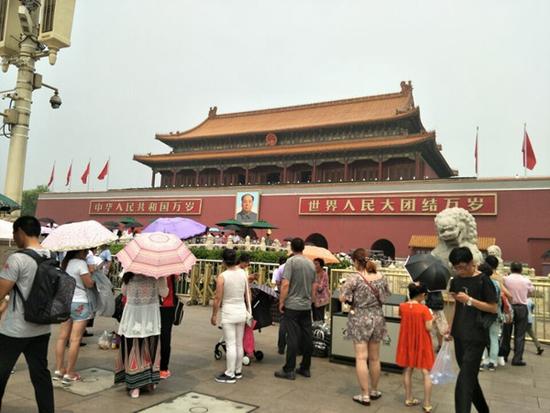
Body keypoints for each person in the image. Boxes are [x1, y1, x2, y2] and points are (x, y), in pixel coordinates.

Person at [0, 216, 55, 413]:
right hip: (42, 327)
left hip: (15, 330)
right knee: (40, 375)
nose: (14, 238)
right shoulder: (51, 256)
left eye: (14, 234)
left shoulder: (17, 258)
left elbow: (1, 291)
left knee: (1, 374)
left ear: (21, 231)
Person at [447, 247, 497, 413]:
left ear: (471, 263)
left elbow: (492, 308)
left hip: (476, 335)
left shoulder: (484, 280)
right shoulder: (456, 280)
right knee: (469, 378)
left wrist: (469, 300)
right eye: (456, 268)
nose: (459, 271)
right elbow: (455, 306)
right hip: (460, 334)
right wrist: (449, 326)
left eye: (462, 267)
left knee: (463, 381)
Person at [339, 248, 390, 406]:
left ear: (355, 261)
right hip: (377, 317)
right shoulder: (381, 276)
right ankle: (374, 390)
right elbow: (386, 296)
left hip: (360, 318)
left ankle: (365, 394)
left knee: (361, 357)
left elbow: (342, 297)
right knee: (375, 358)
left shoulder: (354, 278)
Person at [115, 272, 168, 398]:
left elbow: (124, 292)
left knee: (133, 348)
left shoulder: (128, 273)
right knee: (151, 348)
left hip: (133, 317)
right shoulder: (158, 274)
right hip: (150, 318)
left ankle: (134, 386)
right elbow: (165, 293)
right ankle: (149, 383)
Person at [274, 238, 316, 380]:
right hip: (306, 305)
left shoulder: (291, 262)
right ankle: (305, 367)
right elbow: (314, 286)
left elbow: (285, 284)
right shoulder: (310, 263)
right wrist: (312, 300)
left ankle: (289, 369)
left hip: (292, 305)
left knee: (292, 337)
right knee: (307, 336)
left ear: (291, 248)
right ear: (303, 248)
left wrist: (281, 301)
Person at [54, 249, 95, 384]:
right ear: (80, 250)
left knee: (62, 337)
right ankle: (70, 372)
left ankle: (59, 369)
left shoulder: (65, 263)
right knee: (75, 339)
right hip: (80, 303)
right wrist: (92, 276)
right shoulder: (80, 264)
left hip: (66, 302)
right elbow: (88, 283)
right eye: (85, 251)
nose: (87, 253)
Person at [210, 249, 249, 383]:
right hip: (241, 311)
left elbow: (217, 298)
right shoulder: (243, 273)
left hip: (229, 312)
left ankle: (230, 373)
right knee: (239, 343)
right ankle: (238, 371)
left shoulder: (222, 276)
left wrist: (214, 315)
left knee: (231, 344)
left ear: (224, 261)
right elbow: (247, 294)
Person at [396, 283, 434, 412]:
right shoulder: (425, 310)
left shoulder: (402, 306)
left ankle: (408, 398)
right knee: (426, 371)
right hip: (422, 342)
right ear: (422, 295)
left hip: (407, 341)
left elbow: (400, 316)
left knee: (408, 369)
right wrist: (432, 318)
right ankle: (427, 404)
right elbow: (428, 327)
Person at [499, 262, 534, 366]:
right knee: (520, 335)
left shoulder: (506, 279)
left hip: (508, 308)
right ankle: (517, 358)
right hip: (522, 308)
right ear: (521, 270)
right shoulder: (526, 281)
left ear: (511, 269)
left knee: (506, 333)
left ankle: (504, 356)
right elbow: (530, 292)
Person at [478, 258, 502, 371]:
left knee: (484, 337)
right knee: (493, 337)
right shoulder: (497, 283)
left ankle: (485, 360)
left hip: (485, 314)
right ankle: (493, 362)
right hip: (496, 313)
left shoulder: (481, 282)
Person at [160, 274, 178, 379]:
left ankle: (153, 364)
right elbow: (177, 278)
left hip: (154, 305)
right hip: (168, 305)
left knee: (153, 337)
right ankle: (163, 368)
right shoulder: (171, 268)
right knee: (165, 337)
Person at [272, 255, 288, 354]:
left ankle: (281, 347)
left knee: (283, 323)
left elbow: (277, 283)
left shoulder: (281, 268)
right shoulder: (306, 266)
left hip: (284, 296)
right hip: (298, 300)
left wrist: (281, 299)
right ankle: (297, 348)